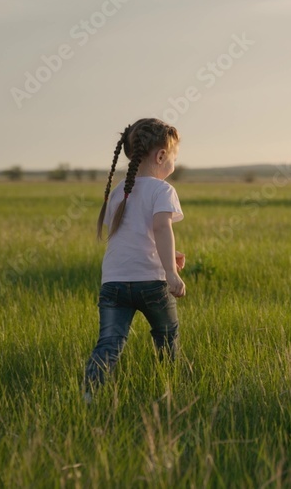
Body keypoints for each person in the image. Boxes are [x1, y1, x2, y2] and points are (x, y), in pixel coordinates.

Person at [83, 118, 187, 401]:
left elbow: (132, 237)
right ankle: (169, 393)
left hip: (114, 284)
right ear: (161, 155)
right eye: (174, 157)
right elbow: (160, 228)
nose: (174, 164)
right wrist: (171, 272)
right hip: (152, 283)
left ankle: (89, 397)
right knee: (167, 335)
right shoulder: (163, 190)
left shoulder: (119, 192)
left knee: (109, 342)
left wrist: (167, 255)